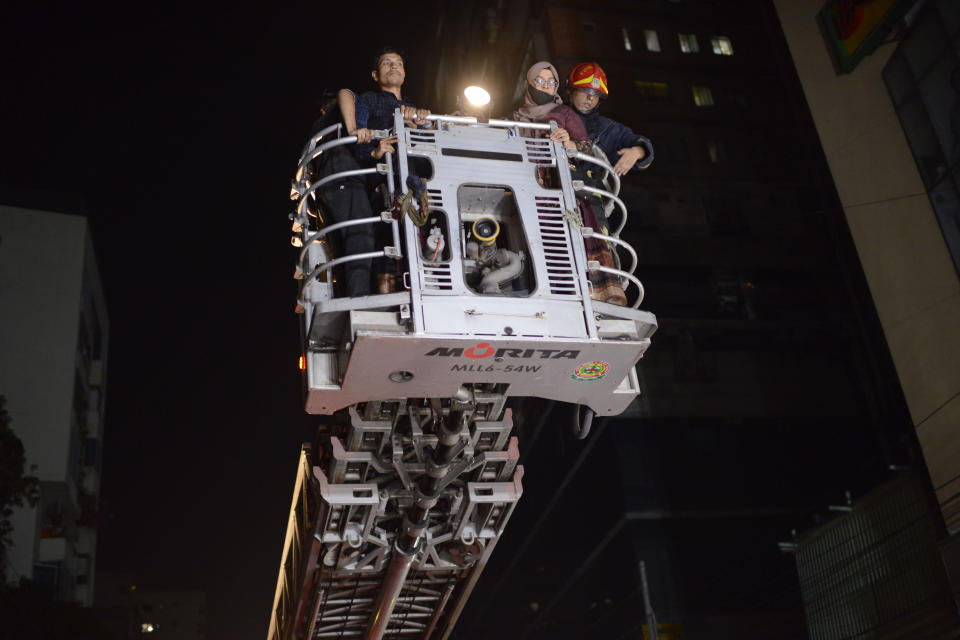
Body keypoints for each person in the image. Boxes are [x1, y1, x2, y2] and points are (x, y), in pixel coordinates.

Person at [510, 61, 627, 305]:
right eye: (539, 81)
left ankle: (595, 293)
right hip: (528, 190)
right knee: (532, 241)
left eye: (550, 82)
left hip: (564, 191)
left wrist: (568, 143)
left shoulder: (564, 114)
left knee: (576, 238)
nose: (545, 86)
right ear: (528, 83)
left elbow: (585, 147)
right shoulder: (514, 117)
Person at [349, 47, 432, 293]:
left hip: (418, 181)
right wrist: (375, 151)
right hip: (384, 177)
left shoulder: (414, 108)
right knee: (386, 237)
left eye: (398, 63)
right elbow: (358, 137)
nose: (393, 66)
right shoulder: (367, 100)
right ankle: (387, 299)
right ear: (375, 75)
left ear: (405, 73)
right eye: (387, 63)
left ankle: (426, 288)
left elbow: (429, 145)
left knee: (421, 233)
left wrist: (422, 123)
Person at [306, 93, 375, 297]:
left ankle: (347, 296)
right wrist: (354, 128)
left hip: (326, 190)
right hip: (344, 179)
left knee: (340, 248)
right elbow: (346, 94)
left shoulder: (316, 129)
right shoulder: (335, 117)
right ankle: (359, 296)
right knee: (360, 237)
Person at [567, 62, 654, 175]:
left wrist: (637, 151)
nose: (590, 98)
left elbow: (640, 144)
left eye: (596, 94)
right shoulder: (553, 114)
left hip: (588, 190)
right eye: (585, 90)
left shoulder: (607, 129)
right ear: (570, 90)